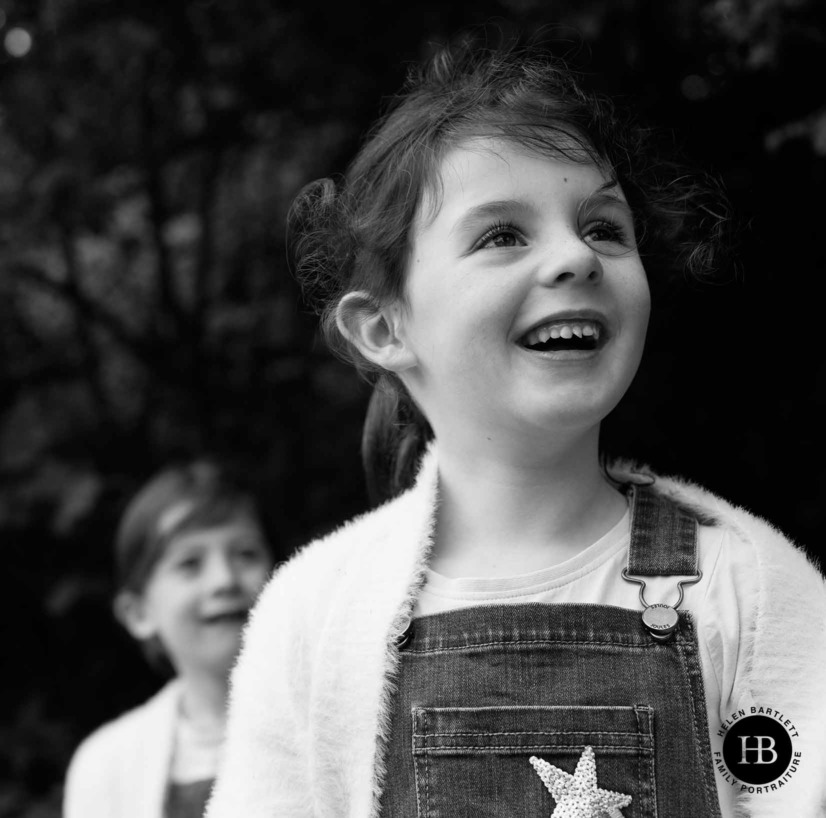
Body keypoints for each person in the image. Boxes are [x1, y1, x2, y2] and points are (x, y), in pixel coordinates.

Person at [205, 40, 826, 818]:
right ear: (383, 329)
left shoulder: (753, 589)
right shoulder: (312, 617)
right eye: (503, 235)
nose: (576, 256)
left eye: (605, 227)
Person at [62, 461, 275, 818]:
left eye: (246, 554)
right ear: (138, 613)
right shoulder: (105, 766)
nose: (224, 580)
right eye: (190, 563)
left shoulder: (340, 725)